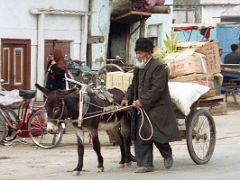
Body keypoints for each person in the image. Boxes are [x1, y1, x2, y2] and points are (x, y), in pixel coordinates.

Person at [121, 38, 180, 173]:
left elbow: (158, 89)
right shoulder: (138, 67)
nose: (138, 56)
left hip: (158, 107)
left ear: (149, 53)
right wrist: (127, 97)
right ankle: (146, 164)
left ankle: (167, 153)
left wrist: (142, 101)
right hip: (141, 106)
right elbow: (133, 86)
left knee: (154, 133)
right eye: (137, 53)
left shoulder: (159, 67)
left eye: (141, 53)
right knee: (141, 132)